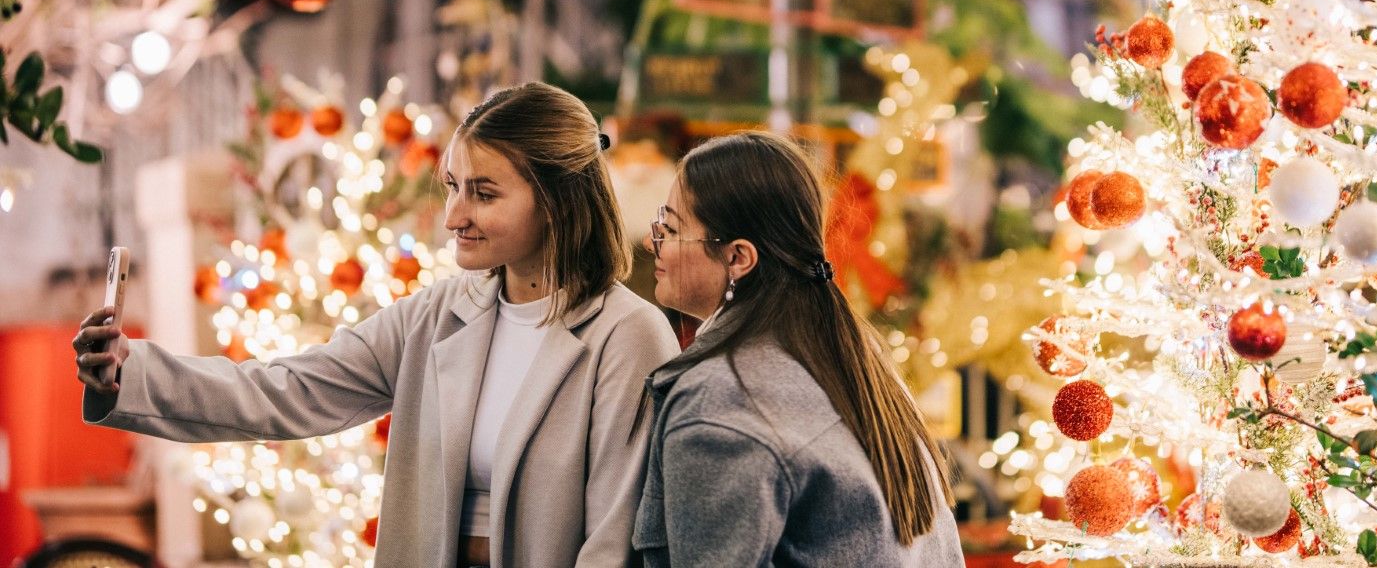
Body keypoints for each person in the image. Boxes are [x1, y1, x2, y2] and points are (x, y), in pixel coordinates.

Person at [73, 82, 679, 568]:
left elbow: (613, 538)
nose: (453, 217)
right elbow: (284, 390)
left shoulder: (627, 336)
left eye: (484, 194)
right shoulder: (438, 316)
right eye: (452, 188)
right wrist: (129, 371)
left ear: (557, 199)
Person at [633, 130, 966, 567]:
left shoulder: (722, 401)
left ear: (738, 258)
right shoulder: (853, 355)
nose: (650, 242)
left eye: (671, 229)